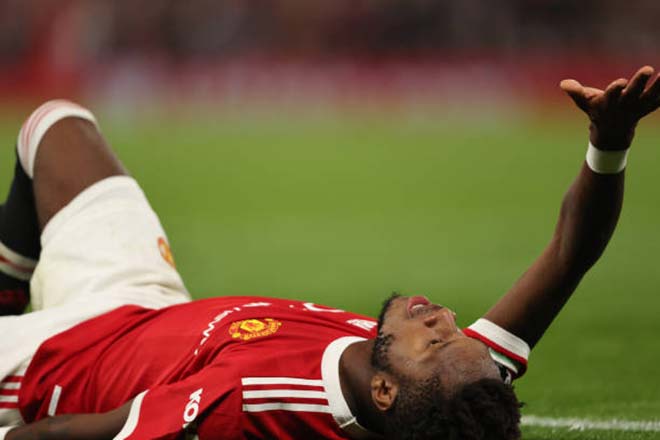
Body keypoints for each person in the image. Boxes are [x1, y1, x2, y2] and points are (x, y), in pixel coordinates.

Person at [0, 66, 658, 440]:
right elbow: (570, 252)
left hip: (55, 361)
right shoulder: (462, 384)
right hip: (145, 304)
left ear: (383, 389)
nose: (444, 318)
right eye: (455, 332)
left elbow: (64, 437)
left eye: (433, 340)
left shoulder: (248, 407)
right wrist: (610, 143)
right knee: (56, 127)